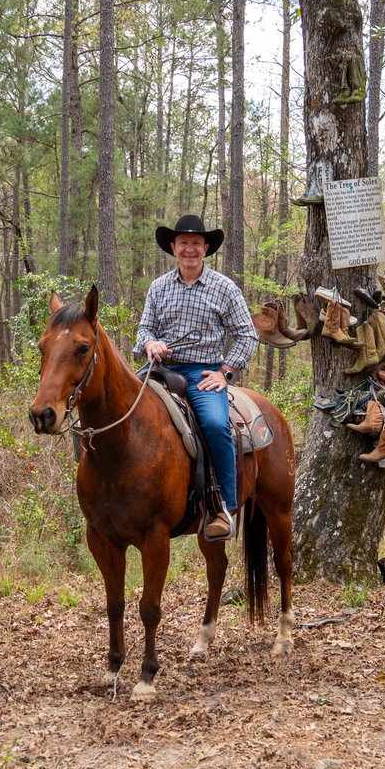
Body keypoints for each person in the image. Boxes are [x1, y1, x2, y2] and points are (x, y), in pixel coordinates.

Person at [134, 214, 259, 541]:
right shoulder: (159, 287)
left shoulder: (224, 288)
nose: (189, 249)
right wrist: (150, 342)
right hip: (161, 370)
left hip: (202, 373)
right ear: (173, 248)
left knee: (217, 425)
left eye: (195, 243)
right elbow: (144, 329)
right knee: (122, 410)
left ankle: (224, 508)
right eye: (183, 243)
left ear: (205, 248)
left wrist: (225, 372)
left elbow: (247, 335)